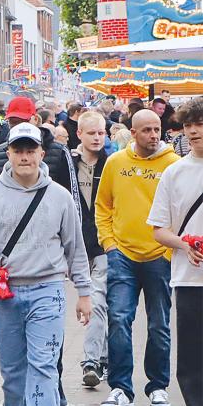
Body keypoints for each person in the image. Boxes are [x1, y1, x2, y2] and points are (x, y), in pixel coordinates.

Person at [0, 123, 92, 406]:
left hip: (49, 290)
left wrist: (84, 292)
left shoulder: (59, 197)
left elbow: (75, 247)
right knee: (13, 370)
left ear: (42, 153)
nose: (25, 157)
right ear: (8, 154)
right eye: (18, 150)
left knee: (43, 366)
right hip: (5, 295)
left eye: (31, 150)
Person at [95, 109, 180, 406]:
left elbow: (181, 211)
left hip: (160, 256)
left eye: (157, 129)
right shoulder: (116, 163)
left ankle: (158, 387)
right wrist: (109, 244)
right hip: (123, 256)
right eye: (146, 130)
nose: (153, 135)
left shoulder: (173, 164)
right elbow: (102, 204)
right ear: (133, 133)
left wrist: (171, 250)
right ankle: (121, 389)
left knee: (159, 325)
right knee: (119, 320)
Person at [148, 97, 203, 406]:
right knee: (192, 364)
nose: (194, 131)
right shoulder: (174, 172)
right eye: (188, 125)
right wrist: (184, 244)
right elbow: (158, 228)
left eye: (200, 124)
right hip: (188, 282)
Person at [72, 111, 111, 387]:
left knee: (97, 301)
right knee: (98, 303)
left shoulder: (112, 165)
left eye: (101, 133)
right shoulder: (67, 164)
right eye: (92, 133)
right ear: (80, 135)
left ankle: (91, 361)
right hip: (75, 245)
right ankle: (105, 357)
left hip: (104, 244)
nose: (97, 137)